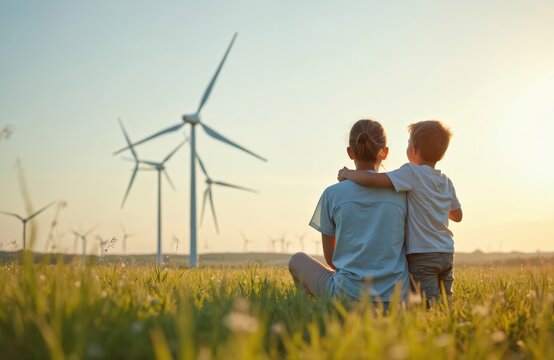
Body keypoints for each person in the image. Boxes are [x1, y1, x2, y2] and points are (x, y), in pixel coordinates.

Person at [338, 120, 462, 304]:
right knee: (446, 299)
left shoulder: (410, 173)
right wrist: (437, 208)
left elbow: (374, 180)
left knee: (429, 303)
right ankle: (449, 325)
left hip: (422, 254)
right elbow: (458, 215)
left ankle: (432, 327)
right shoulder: (446, 181)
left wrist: (348, 174)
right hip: (446, 252)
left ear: (414, 149)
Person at [289, 119, 410, 306]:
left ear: (350, 152)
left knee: (297, 260)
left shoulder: (332, 194)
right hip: (395, 300)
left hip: (347, 297)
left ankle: (311, 311)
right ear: (384, 153)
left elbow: (332, 260)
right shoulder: (402, 194)